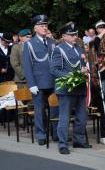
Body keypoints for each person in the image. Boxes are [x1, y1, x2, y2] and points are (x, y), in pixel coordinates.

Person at [50, 22, 91, 154]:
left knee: (81, 116)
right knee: (65, 117)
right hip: (66, 88)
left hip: (80, 87)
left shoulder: (79, 48)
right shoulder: (59, 49)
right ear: (64, 36)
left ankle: (79, 140)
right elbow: (55, 70)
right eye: (71, 34)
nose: (74, 36)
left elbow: (82, 64)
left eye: (75, 34)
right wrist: (72, 76)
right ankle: (63, 144)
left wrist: (84, 70)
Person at [23, 14, 58, 145]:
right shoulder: (29, 44)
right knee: (40, 110)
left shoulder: (51, 42)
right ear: (35, 28)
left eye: (46, 25)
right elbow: (27, 65)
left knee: (55, 108)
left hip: (53, 81)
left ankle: (56, 134)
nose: (45, 28)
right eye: (42, 26)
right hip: (38, 83)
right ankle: (41, 134)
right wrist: (31, 84)